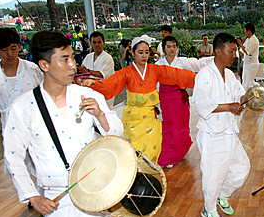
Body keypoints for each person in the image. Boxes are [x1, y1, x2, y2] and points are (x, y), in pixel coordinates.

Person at [4, 31, 124, 217]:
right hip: (57, 196)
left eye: (73, 57)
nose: (74, 65)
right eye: (66, 59)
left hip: (94, 191)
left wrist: (101, 115)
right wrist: (32, 197)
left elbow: (115, 136)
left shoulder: (88, 95)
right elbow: (13, 157)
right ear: (44, 65)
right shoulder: (23, 108)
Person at [82, 35, 196, 163]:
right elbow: (110, 85)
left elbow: (177, 75)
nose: (144, 56)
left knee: (153, 149)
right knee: (136, 152)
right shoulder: (126, 72)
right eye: (140, 52)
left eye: (147, 52)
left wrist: (200, 79)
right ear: (132, 52)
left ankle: (151, 175)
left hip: (151, 117)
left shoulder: (155, 70)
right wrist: (94, 84)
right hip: (134, 119)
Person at [193, 33, 250, 217]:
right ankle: (208, 209)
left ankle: (222, 195)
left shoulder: (230, 75)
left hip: (228, 131)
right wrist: (229, 107)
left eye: (235, 50)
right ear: (218, 51)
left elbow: (239, 94)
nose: (235, 54)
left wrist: (251, 97)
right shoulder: (205, 75)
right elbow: (201, 104)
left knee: (242, 168)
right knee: (213, 174)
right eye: (231, 50)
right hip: (212, 134)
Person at [156, 36, 214, 168]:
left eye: (174, 46)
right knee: (167, 128)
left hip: (178, 99)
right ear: (164, 48)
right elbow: (155, 84)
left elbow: (199, 64)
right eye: (169, 46)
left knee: (178, 129)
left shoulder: (182, 61)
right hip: (164, 99)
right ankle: (168, 155)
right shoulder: (158, 65)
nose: (172, 49)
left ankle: (178, 152)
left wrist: (216, 58)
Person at [0, 28, 43, 131]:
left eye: (13, 48)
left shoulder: (33, 69)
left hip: (39, 128)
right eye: (4, 50)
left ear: (19, 47)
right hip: (10, 131)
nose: (9, 54)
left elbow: (49, 94)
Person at [77, 31, 115, 109]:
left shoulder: (108, 58)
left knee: (105, 114)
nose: (97, 45)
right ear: (91, 44)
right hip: (90, 91)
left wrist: (87, 71)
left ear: (103, 43)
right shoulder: (88, 57)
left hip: (104, 90)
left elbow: (103, 74)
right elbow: (82, 71)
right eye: (94, 42)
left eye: (99, 42)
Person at [236, 23, 260, 90]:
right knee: (245, 82)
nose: (244, 32)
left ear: (249, 31)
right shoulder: (248, 39)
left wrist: (240, 43)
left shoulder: (254, 40)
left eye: (245, 30)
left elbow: (248, 52)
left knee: (248, 83)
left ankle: (256, 92)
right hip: (246, 62)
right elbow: (242, 50)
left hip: (252, 64)